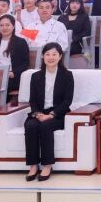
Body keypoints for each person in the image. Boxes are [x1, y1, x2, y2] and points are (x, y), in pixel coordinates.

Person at [24, 43, 74, 182]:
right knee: (31, 125)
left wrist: (52, 114)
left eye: (54, 54)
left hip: (58, 114)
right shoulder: (35, 76)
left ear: (60, 56)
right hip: (39, 113)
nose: (50, 57)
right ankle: (33, 165)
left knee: (45, 126)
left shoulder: (67, 75)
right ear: (42, 56)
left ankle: (47, 165)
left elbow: (67, 101)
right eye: (47, 54)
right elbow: (32, 100)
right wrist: (38, 114)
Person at [0, 14, 32, 94]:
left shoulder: (21, 42)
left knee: (0, 86)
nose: (4, 28)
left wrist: (14, 73)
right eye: (1, 25)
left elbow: (25, 63)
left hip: (12, 77)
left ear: (13, 26)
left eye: (7, 25)